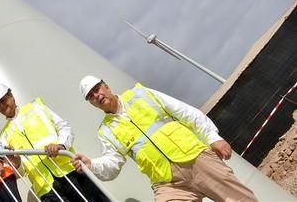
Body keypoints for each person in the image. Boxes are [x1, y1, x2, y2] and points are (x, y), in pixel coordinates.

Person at [73, 76, 259, 202]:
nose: (97, 96)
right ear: (91, 103)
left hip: (197, 160)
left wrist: (212, 137)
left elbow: (185, 112)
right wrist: (92, 165)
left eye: (97, 89)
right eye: (91, 96)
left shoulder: (142, 94)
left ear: (106, 86)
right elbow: (112, 164)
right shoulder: (106, 131)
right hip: (168, 183)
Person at [0, 83, 107, 202]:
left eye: (3, 100)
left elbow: (65, 128)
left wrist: (60, 145)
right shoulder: (3, 136)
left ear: (11, 96)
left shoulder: (36, 107)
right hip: (46, 190)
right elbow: (20, 172)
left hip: (71, 171)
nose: (2, 106)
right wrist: (16, 162)